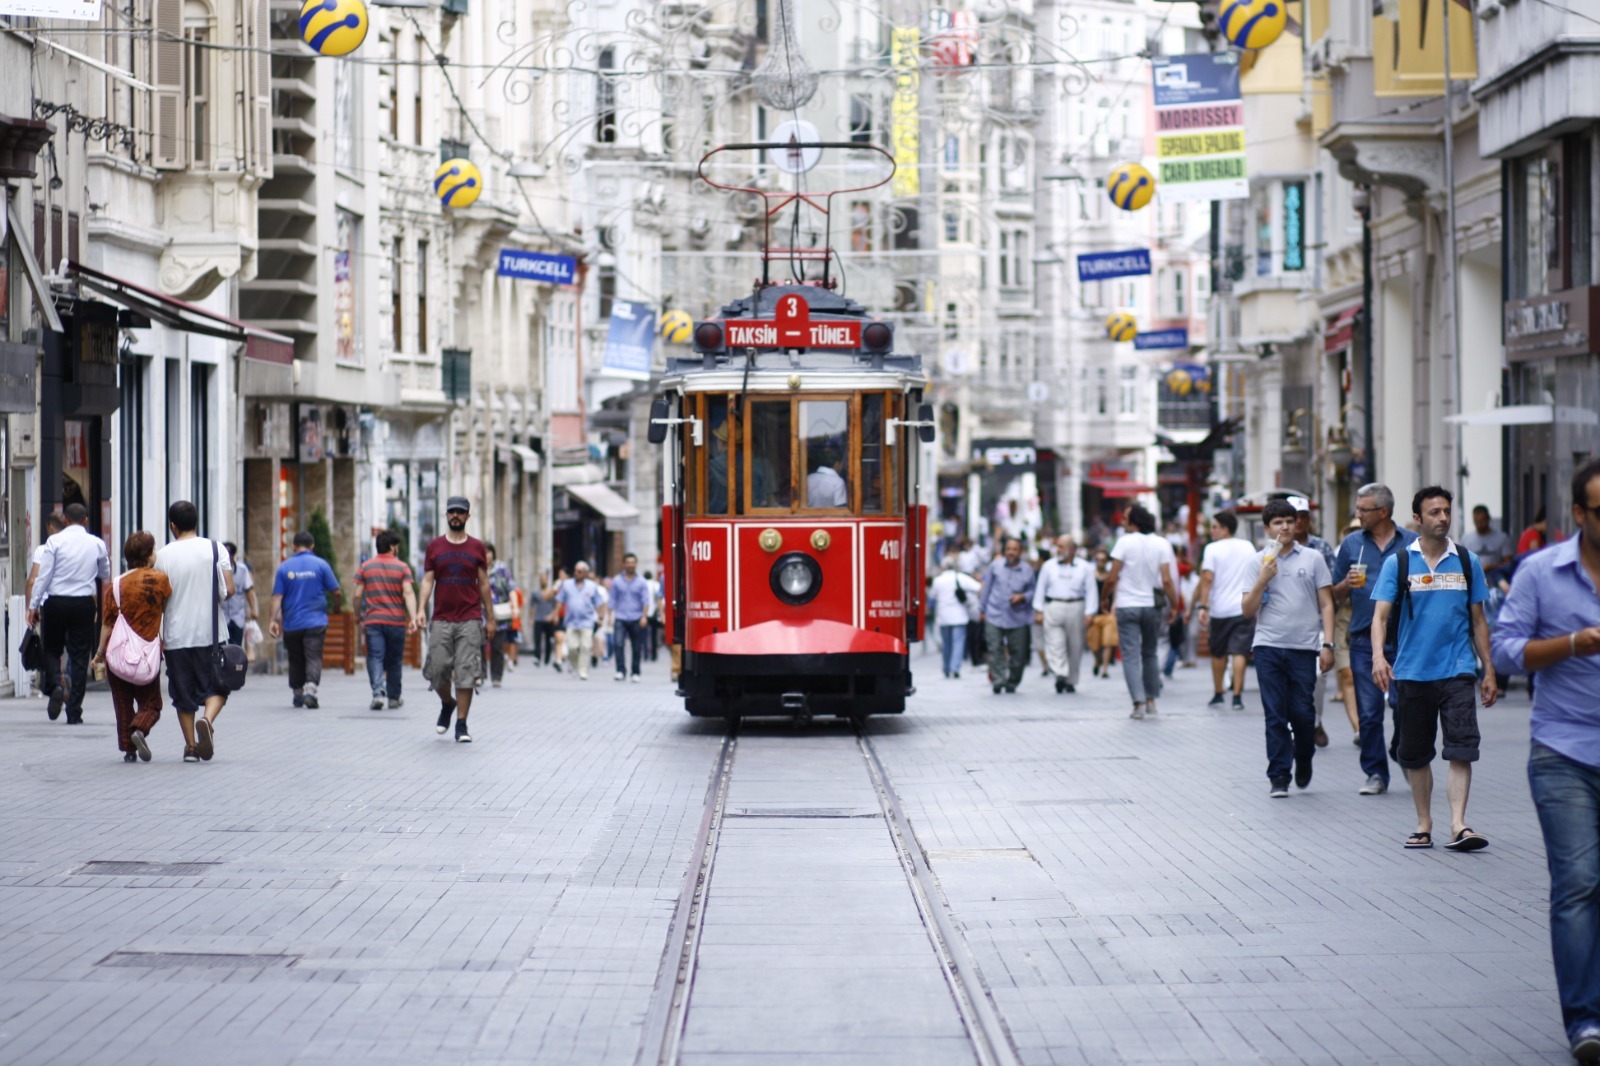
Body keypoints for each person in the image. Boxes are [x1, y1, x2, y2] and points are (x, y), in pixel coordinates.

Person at [1490, 458, 1600, 1063]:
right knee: (1579, 883)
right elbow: (1505, 654)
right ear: (1579, 514)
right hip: (1565, 750)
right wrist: (1572, 644)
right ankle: (1586, 1020)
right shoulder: (1540, 572)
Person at [1371, 486, 1496, 851]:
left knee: (1461, 748)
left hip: (1457, 669)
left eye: (1447, 511)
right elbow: (1380, 617)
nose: (1443, 518)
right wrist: (1380, 657)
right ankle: (1424, 822)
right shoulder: (1400, 563)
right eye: (1435, 512)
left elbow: (1478, 621)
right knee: (1416, 752)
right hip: (1411, 671)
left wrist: (1488, 669)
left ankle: (1458, 825)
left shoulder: (1467, 561)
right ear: (1418, 518)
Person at [1242, 498, 1335, 798]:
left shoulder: (1312, 558)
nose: (1284, 527)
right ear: (1267, 528)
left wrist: (1328, 644)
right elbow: (1247, 610)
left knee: (1303, 713)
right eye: (1278, 523)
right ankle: (1279, 775)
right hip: (1268, 645)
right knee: (1275, 714)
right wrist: (1262, 581)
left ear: (1297, 524)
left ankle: (1304, 756)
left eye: (1289, 521)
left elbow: (1326, 603)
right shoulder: (1257, 562)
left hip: (1304, 646)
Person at [1331, 482, 1418, 796]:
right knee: (1368, 712)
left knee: (1403, 705)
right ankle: (1375, 773)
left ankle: (1401, 752)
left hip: (1405, 638)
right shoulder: (1353, 544)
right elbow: (1333, 594)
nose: (1357, 515)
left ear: (1383, 512)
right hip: (1363, 638)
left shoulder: (1412, 543)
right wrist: (1346, 584)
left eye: (1363, 510)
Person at [154, 500, 234, 763]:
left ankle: (190, 747)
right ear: (196, 521)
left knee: (182, 693)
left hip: (176, 635)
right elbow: (229, 589)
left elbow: (159, 599)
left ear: (172, 525)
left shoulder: (163, 555)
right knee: (218, 686)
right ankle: (207, 721)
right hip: (211, 634)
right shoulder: (215, 548)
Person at [412, 496, 492, 742]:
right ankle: (447, 703)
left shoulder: (477, 547)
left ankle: (461, 724)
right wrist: (420, 609)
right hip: (442, 618)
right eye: (451, 512)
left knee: (466, 672)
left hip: (469, 618)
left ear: (468, 516)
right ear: (446, 515)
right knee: (438, 672)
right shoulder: (435, 546)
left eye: (460, 512)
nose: (455, 515)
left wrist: (490, 616)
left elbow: (484, 583)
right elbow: (427, 580)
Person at [27, 502, 110, 724]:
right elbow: (105, 572)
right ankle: (74, 712)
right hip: (84, 603)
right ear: (85, 521)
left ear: (64, 520)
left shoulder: (54, 542)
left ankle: (55, 684)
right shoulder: (97, 543)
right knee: (80, 655)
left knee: (52, 648)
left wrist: (33, 605)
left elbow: (43, 576)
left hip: (56, 602)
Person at [92, 531, 171, 762]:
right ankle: (139, 729)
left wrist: (99, 654)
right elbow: (167, 608)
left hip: (117, 655)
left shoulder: (116, 585)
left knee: (123, 704)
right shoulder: (160, 581)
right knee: (152, 703)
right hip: (147, 654)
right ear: (148, 556)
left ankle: (129, 750)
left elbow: (107, 624)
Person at [1101, 505, 1178, 718]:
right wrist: (1174, 605)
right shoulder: (1162, 543)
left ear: (1134, 521)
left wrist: (1104, 598)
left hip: (1127, 605)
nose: (1122, 522)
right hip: (1152, 605)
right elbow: (1167, 580)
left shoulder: (1124, 542)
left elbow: (1112, 576)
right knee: (1150, 652)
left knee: (1131, 656)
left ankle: (1138, 703)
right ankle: (1152, 700)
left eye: (1125, 518)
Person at [268, 531, 342, 709]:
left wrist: (273, 620)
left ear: (293, 546)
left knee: (295, 658)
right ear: (312, 546)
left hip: (292, 623)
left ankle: (298, 692)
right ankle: (311, 690)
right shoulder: (321, 565)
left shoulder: (284, 567)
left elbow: (277, 597)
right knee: (313, 656)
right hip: (316, 621)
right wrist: (336, 607)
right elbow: (337, 591)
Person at [1193, 511, 1256, 711]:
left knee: (1218, 653)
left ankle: (1219, 693)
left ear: (1224, 528)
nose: (1211, 531)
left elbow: (1207, 579)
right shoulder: (1248, 546)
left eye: (1214, 527)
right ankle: (1237, 695)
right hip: (1243, 607)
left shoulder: (1211, 549)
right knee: (1239, 652)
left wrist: (1203, 605)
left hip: (1219, 609)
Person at [1292, 497, 1338, 748]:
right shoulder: (1273, 549)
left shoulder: (1321, 548)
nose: (1298, 522)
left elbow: (1330, 589)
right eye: (1293, 517)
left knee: (1319, 675)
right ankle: (1296, 727)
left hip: (1318, 622)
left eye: (1303, 516)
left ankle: (1315, 721)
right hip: (1288, 627)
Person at [354, 531, 417, 710]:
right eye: (396, 546)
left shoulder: (366, 567)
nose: (397, 549)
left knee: (375, 656)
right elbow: (408, 592)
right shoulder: (403, 568)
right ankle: (394, 698)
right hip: (396, 621)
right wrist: (412, 617)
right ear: (392, 547)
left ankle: (378, 693)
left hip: (373, 621)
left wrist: (357, 614)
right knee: (395, 660)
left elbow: (358, 594)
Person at [1032, 535, 1096, 693]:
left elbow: (1091, 590)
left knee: (1075, 645)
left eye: (1062, 546)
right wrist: (1038, 610)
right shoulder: (1048, 566)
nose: (1058, 550)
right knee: (1054, 643)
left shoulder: (1085, 567)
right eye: (1057, 546)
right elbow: (1040, 588)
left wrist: (1090, 612)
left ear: (1072, 549)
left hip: (1076, 606)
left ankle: (1071, 680)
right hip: (1054, 605)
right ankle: (1060, 673)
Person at [977, 538, 1036, 694]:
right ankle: (998, 679)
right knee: (994, 648)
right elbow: (986, 588)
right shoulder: (995, 566)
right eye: (1008, 549)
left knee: (1019, 653)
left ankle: (1013, 681)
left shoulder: (1027, 570)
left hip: (1018, 617)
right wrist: (982, 610)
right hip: (995, 614)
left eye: (1015, 549)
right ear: (1004, 551)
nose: (1011, 552)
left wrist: (1022, 597)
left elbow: (1033, 591)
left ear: (1020, 551)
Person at [548, 560, 606, 679]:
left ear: (585, 573)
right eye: (575, 570)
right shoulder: (567, 585)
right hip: (571, 622)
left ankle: (583, 671)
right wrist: (555, 614)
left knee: (585, 647)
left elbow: (599, 603)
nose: (576, 573)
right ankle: (575, 666)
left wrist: (600, 618)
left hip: (587, 622)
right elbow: (560, 600)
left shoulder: (591, 586)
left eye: (579, 571)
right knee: (572, 647)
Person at [931, 556, 981, 679]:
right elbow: (978, 587)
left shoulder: (938, 580)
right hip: (959, 615)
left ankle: (947, 668)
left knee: (946, 643)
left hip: (943, 616)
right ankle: (955, 668)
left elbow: (932, 596)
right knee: (958, 643)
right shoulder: (961, 577)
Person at [610, 553, 653, 682]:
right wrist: (610, 616)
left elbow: (646, 601)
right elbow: (612, 599)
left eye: (633, 562)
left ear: (636, 564)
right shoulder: (617, 580)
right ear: (624, 564)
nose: (630, 565)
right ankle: (620, 671)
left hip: (636, 617)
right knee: (618, 644)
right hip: (620, 617)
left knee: (636, 646)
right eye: (628, 562)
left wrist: (644, 616)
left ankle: (635, 672)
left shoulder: (641, 581)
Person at [485, 544, 517, 687]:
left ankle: (497, 677)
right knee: (478, 644)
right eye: (483, 552)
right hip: (479, 612)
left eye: (488, 552)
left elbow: (511, 588)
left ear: (493, 553)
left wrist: (515, 606)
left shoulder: (501, 568)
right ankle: (480, 675)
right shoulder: (475, 568)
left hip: (499, 612)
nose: (486, 555)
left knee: (497, 646)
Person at [24, 511, 65, 618]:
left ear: (50, 527)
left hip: (48, 604)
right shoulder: (73, 549)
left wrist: (29, 608)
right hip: (72, 602)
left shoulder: (42, 550)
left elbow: (32, 581)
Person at [222, 542, 258, 647]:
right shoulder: (216, 570)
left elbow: (249, 590)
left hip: (237, 616)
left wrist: (254, 609)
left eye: (229, 553)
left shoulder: (242, 570)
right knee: (222, 647)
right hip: (222, 617)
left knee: (236, 647)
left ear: (233, 555)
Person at [1461, 504, 1512, 578]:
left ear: (1489, 519)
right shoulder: (1466, 539)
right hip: (1473, 578)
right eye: (1477, 521)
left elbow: (1509, 563)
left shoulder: (1502, 538)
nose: (1480, 524)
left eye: (1482, 521)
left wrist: (1490, 567)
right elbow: (1461, 562)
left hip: (1496, 578)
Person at [532, 570, 558, 667]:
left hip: (549, 619)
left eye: (544, 579)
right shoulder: (535, 592)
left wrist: (554, 616)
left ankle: (547, 658)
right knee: (537, 639)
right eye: (541, 579)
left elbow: (556, 605)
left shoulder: (552, 592)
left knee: (548, 640)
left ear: (547, 580)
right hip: (538, 618)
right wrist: (531, 618)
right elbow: (532, 606)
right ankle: (537, 657)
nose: (543, 581)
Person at [645, 569, 664, 661]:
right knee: (654, 634)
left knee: (643, 634)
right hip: (654, 612)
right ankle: (654, 655)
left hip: (644, 612)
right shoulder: (655, 584)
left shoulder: (643, 584)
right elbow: (659, 598)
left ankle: (645, 654)